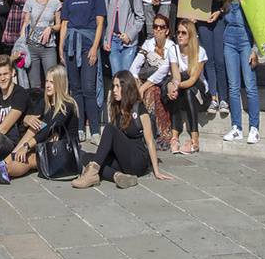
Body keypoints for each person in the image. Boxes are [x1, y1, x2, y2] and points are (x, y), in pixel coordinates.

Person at [73, 72, 175, 189]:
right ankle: (117, 176)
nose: (114, 90)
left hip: (137, 160)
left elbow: (150, 141)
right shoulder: (116, 108)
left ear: (126, 87)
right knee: (87, 157)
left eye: (118, 86)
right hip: (123, 160)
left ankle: (92, 173)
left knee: (109, 130)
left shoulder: (139, 108)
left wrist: (156, 171)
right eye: (113, 86)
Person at [58, 0, 106, 137]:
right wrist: (60, 48)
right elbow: (64, 24)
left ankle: (94, 129)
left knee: (88, 88)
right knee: (75, 89)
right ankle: (79, 127)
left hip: (88, 46)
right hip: (71, 46)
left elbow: (100, 23)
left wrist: (95, 48)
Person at [216, 0, 260, 144]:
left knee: (250, 85)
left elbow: (258, 21)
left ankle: (254, 127)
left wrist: (255, 49)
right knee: (233, 86)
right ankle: (236, 127)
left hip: (245, 41)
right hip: (229, 41)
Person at [132, 15, 182, 149]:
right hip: (149, 81)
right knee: (150, 91)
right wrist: (137, 83)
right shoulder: (148, 44)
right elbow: (135, 66)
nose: (158, 30)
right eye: (155, 27)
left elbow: (163, 71)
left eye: (162, 27)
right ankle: (148, 134)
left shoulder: (171, 46)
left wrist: (143, 88)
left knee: (153, 92)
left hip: (166, 81)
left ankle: (163, 135)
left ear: (167, 31)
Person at [168, 19, 208, 155]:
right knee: (173, 90)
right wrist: (174, 86)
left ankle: (195, 139)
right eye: (178, 32)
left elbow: (192, 80)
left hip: (199, 94)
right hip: (181, 90)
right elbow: (175, 75)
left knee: (188, 89)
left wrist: (176, 85)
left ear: (190, 35)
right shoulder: (173, 50)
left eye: (184, 33)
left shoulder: (200, 51)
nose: (179, 35)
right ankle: (174, 136)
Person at [21, 0, 62, 91]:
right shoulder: (30, 0)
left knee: (53, 82)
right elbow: (25, 23)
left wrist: (51, 28)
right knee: (34, 86)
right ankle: (37, 108)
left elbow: (59, 25)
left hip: (48, 48)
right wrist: (20, 44)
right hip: (32, 47)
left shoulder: (55, 2)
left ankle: (53, 107)